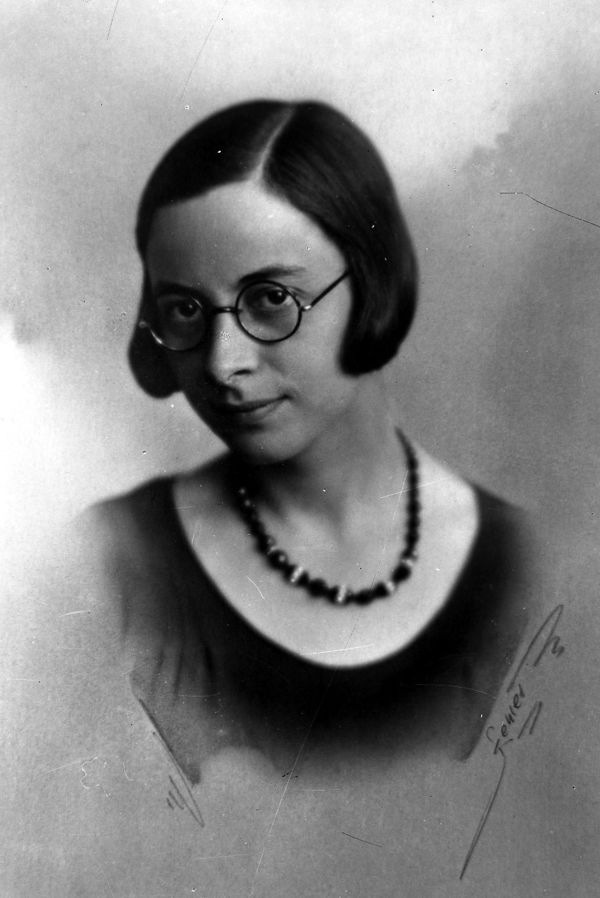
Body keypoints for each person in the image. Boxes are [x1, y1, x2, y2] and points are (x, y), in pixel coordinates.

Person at [91, 99, 533, 787]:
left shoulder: (536, 575)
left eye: (271, 298)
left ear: (370, 281)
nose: (223, 363)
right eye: (184, 309)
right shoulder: (108, 567)